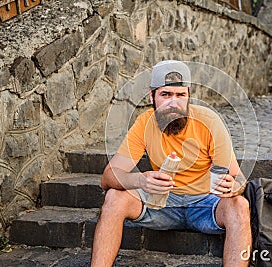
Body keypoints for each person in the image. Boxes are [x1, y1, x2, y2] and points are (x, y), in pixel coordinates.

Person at [91, 60, 251, 266]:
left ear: (188, 96)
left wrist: (234, 186)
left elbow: (239, 178)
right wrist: (140, 179)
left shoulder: (209, 121)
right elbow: (108, 177)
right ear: (152, 96)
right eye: (165, 95)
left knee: (239, 205)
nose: (173, 103)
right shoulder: (144, 123)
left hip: (205, 204)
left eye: (180, 95)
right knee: (114, 197)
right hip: (161, 204)